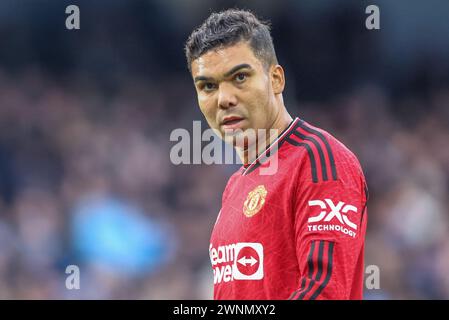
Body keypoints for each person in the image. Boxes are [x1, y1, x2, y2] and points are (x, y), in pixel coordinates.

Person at [185, 8, 368, 300]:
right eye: (208, 86)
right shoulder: (234, 185)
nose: (224, 99)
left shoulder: (320, 160)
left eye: (240, 77)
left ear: (276, 79)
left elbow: (322, 291)